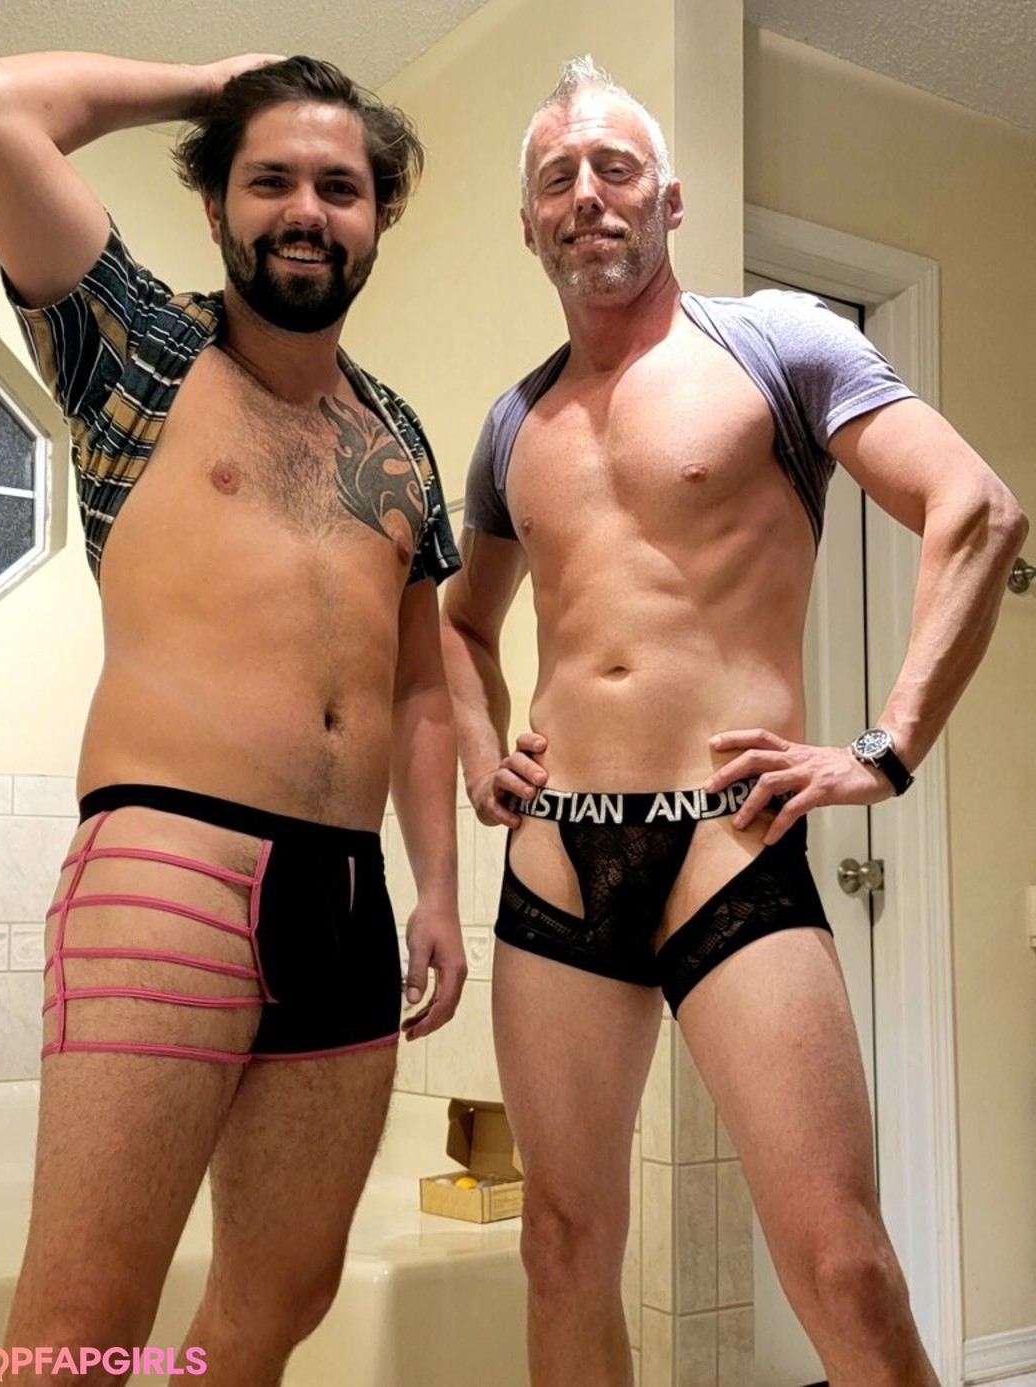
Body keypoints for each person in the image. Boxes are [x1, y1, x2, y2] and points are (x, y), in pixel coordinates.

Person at [440, 56, 1026, 1387]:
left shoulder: (780, 345)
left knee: (843, 1263)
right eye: (556, 178)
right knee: (562, 1246)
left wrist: (887, 748)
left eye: (616, 168)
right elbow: (462, 627)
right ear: (530, 225)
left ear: (670, 199)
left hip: (728, 843)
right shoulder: (513, 423)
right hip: (556, 854)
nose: (586, 194)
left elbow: (978, 511)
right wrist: (481, 752)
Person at [0, 51, 465, 1386]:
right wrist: (213, 84)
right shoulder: (140, 346)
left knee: (279, 1301)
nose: (307, 210)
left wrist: (440, 890)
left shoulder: (399, 435)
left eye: (339, 187)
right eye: (270, 178)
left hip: (347, 896)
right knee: (78, 1335)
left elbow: (421, 685)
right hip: (170, 869)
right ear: (216, 205)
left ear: (379, 217)